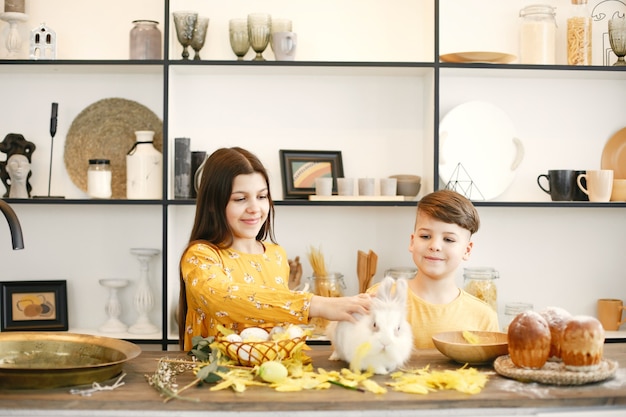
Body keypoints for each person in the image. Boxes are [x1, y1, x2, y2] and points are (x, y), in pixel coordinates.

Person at [178, 147, 371, 351]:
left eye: (262, 197)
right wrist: (317, 305)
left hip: (269, 376)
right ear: (212, 204)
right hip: (213, 376)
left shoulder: (276, 255)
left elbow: (277, 324)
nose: (255, 208)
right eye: (240, 199)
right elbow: (222, 299)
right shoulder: (201, 256)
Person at [369, 189, 499, 349]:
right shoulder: (380, 298)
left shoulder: (483, 316)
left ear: (467, 250)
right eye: (425, 236)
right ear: (412, 241)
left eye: (449, 239)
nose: (435, 246)